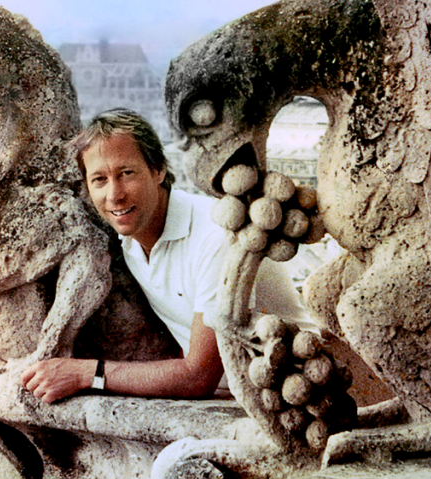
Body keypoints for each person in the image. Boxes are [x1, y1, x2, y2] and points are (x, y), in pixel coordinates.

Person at [21, 108, 306, 403]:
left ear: (158, 170)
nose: (114, 195)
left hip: (295, 391)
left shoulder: (215, 235)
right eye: (99, 180)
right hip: (232, 393)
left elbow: (199, 376)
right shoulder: (129, 241)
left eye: (126, 173)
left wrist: (85, 374)